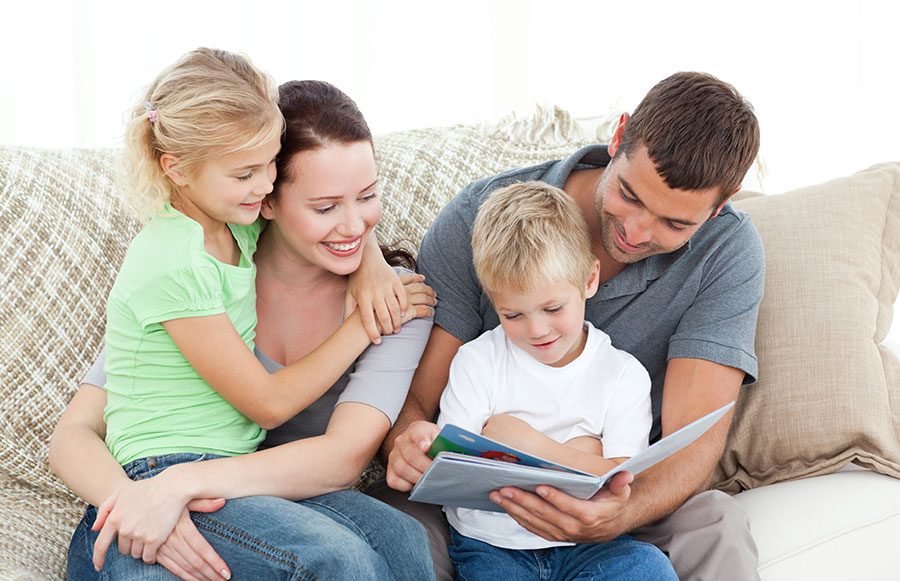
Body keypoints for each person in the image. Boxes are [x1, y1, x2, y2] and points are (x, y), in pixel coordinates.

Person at [50, 49, 435, 580]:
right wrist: (146, 497)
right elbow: (76, 432)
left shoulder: (246, 239)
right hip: (156, 476)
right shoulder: (189, 265)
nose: (352, 223)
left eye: (367, 197)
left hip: (239, 485)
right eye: (325, 207)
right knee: (339, 558)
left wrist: (370, 260)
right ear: (270, 201)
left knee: (401, 542)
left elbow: (343, 458)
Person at [382, 71, 765, 580]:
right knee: (390, 534)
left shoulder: (727, 252)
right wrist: (405, 441)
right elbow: (418, 403)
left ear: (722, 203)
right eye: (629, 194)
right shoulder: (484, 222)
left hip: (620, 495)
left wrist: (616, 513)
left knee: (717, 524)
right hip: (482, 513)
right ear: (619, 135)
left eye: (674, 224)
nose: (635, 231)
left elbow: (691, 442)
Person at [437, 181, 678, 580]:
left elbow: (618, 481)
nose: (537, 330)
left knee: (650, 569)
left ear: (588, 280)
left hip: (590, 544)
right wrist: (585, 455)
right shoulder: (478, 361)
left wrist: (527, 443)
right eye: (512, 314)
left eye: (552, 308)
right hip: (492, 543)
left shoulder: (622, 375)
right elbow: (456, 467)